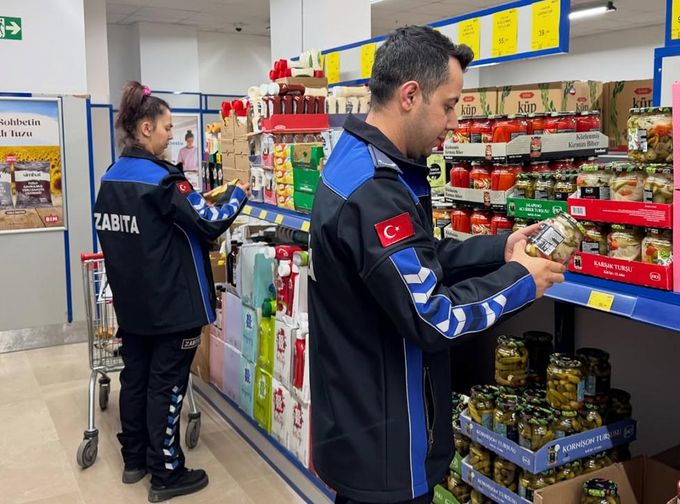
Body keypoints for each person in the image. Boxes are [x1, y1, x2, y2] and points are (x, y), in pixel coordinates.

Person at [308, 26, 566, 504]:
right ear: (410, 95)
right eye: (448, 105)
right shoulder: (376, 192)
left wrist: (498, 250)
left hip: (361, 421)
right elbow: (432, 317)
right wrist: (520, 283)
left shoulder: (358, 160)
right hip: (385, 440)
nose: (453, 121)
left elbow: (414, 263)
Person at [94, 81, 249, 503]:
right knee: (167, 384)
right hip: (172, 306)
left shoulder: (111, 178)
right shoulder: (163, 181)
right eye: (165, 127)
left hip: (133, 304)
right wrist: (238, 194)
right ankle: (166, 472)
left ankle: (135, 460)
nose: (170, 135)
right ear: (145, 128)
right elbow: (210, 220)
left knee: (137, 378)